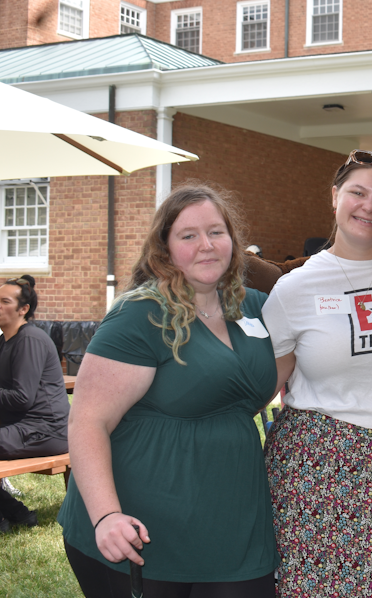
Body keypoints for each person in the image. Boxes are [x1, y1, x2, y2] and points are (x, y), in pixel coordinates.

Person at [57, 185, 279, 597]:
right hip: (142, 527)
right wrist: (106, 515)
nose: (206, 245)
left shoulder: (254, 306)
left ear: (234, 240)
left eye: (216, 232)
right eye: (188, 235)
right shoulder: (140, 314)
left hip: (234, 522)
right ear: (164, 248)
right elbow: (87, 420)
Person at [262, 150, 372, 596]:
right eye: (357, 192)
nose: (369, 206)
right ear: (334, 197)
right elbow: (264, 385)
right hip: (318, 470)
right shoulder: (296, 287)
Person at [0, 275, 68, 533]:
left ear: (23, 309)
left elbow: (21, 397)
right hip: (24, 427)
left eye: (5, 301)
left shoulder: (29, 339)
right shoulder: (5, 342)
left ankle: (10, 517)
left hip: (45, 431)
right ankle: (18, 513)